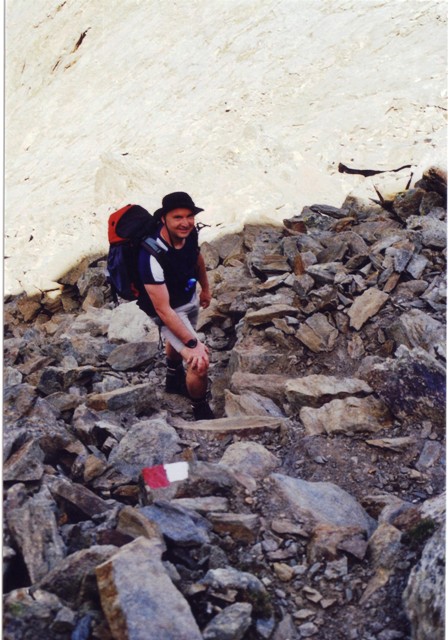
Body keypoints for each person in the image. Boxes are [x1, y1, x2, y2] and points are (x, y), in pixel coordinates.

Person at [136, 191, 215, 420]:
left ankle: (173, 378)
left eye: (189, 216)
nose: (185, 222)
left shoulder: (189, 234)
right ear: (164, 219)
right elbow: (163, 310)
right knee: (199, 362)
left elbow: (196, 258)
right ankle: (200, 408)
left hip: (188, 298)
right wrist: (193, 344)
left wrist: (205, 288)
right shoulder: (150, 255)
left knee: (177, 340)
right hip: (167, 309)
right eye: (178, 217)